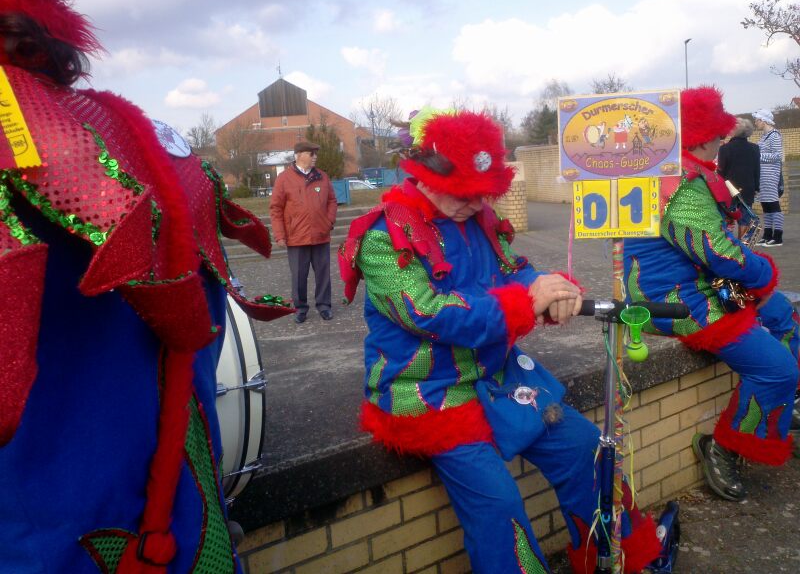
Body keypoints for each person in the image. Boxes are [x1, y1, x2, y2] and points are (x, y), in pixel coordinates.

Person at [0, 0, 292, 572]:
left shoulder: (59, 133)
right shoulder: (127, 132)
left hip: (51, 527)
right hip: (181, 516)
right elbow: (202, 324)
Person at [340, 108, 662, 573]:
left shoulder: (478, 219)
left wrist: (551, 286)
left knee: (587, 450)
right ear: (427, 176)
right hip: (429, 391)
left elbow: (514, 270)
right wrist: (526, 304)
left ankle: (616, 559)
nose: (477, 205)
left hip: (496, 376)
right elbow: (427, 312)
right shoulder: (383, 235)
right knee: (498, 505)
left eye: (484, 194)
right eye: (466, 194)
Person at [624, 87, 799, 503]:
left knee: (784, 315)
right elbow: (717, 252)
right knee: (777, 369)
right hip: (674, 299)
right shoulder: (682, 183)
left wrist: (760, 284)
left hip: (701, 283)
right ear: (703, 136)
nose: (723, 141)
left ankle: (777, 408)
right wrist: (764, 273)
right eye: (718, 134)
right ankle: (724, 446)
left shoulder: (684, 170)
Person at [270, 140, 338, 323]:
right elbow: (276, 208)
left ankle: (324, 306)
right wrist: (279, 235)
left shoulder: (322, 177)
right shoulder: (284, 179)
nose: (315, 157)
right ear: (299, 155)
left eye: (316, 154)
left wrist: (329, 221)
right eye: (311, 154)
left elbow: (332, 201)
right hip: (296, 237)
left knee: (323, 274)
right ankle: (300, 309)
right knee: (299, 276)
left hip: (320, 234)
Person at [718, 117, 760, 239]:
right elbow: (757, 170)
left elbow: (721, 171)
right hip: (748, 188)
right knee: (745, 220)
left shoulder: (725, 148)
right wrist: (756, 188)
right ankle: (743, 246)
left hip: (728, 189)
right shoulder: (755, 148)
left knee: (728, 219)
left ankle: (728, 244)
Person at [753, 108, 785, 247]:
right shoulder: (764, 136)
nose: (755, 123)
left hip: (771, 175)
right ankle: (767, 235)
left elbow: (777, 156)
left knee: (773, 205)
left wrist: (757, 156)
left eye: (757, 120)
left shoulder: (774, 135)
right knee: (766, 206)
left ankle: (777, 237)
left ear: (763, 120)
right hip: (763, 176)